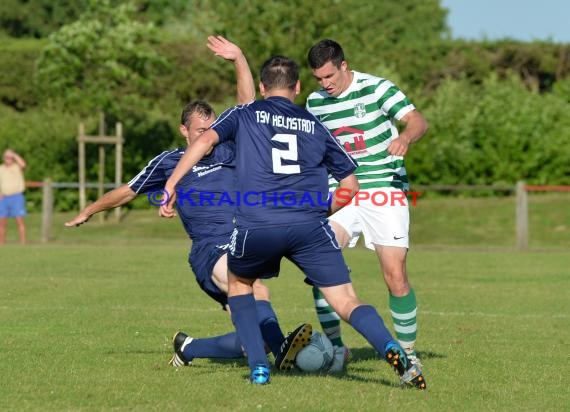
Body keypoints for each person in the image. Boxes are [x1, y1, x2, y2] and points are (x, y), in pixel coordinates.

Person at [160, 55, 426, 388]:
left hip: (258, 223)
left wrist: (171, 184)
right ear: (298, 88)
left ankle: (259, 367)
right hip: (309, 226)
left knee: (242, 285)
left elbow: (204, 141)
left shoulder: (244, 113)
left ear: (261, 87)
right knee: (346, 300)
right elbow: (350, 186)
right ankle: (394, 351)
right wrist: (322, 212)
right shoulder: (314, 125)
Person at [65, 36, 311, 369]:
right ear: (184, 130)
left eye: (210, 129)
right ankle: (283, 353)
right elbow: (127, 190)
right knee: (257, 291)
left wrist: (239, 58)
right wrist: (90, 210)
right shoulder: (169, 162)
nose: (206, 137)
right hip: (209, 249)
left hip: (241, 239)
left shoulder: (227, 149)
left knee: (248, 339)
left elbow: (247, 106)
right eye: (199, 131)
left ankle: (189, 348)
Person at [305, 39, 428, 365]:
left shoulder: (377, 89)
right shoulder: (315, 103)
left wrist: (404, 137)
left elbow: (418, 121)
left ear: (344, 65)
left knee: (395, 276)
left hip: (383, 190)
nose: (325, 84)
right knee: (321, 266)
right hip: (342, 192)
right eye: (319, 78)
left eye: (330, 76)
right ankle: (335, 350)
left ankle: (409, 354)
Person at [0, 149, 27, 245]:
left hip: (16, 197)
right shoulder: (1, 168)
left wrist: (14, 155)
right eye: (6, 157)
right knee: (2, 223)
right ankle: (1, 243)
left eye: (10, 157)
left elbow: (23, 165)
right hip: (3, 199)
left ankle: (23, 243)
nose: (8, 159)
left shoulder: (16, 167)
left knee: (19, 220)